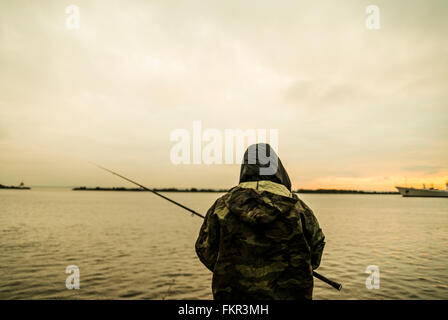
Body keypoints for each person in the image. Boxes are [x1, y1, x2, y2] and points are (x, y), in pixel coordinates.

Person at [195, 143, 325, 300]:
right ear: (277, 168)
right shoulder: (299, 209)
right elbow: (316, 252)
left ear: (245, 168)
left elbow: (205, 251)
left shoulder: (220, 207)